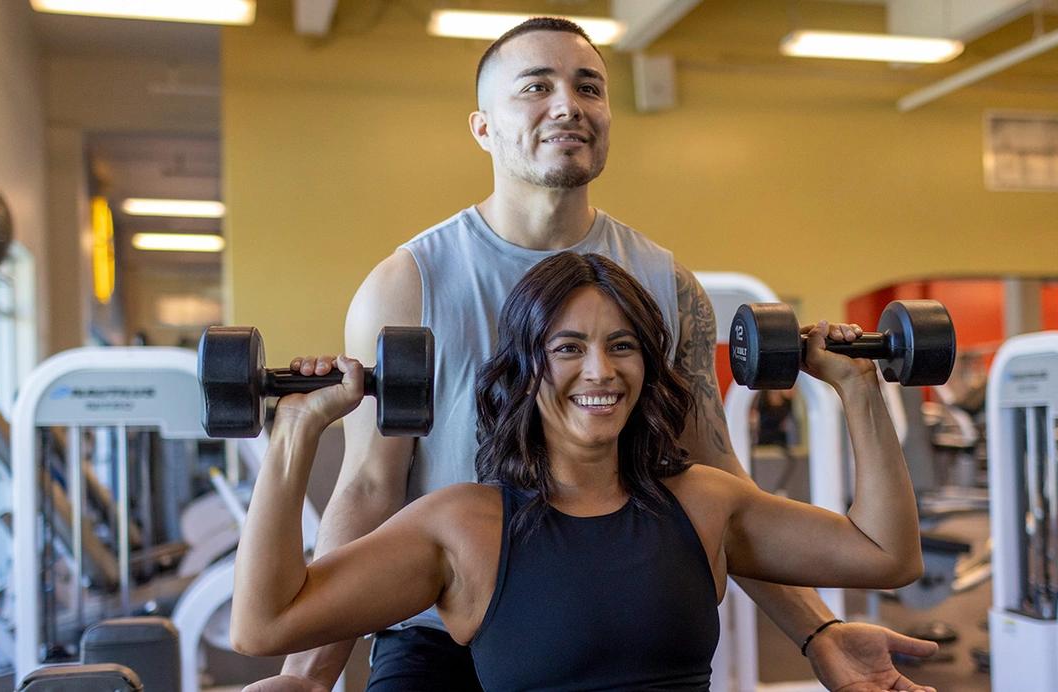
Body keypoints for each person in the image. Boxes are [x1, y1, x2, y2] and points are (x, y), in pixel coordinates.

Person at [249, 16, 940, 691]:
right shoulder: (409, 283)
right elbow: (371, 486)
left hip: (604, 607)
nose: (567, 107)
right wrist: (308, 674)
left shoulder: (664, 284)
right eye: (535, 87)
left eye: (588, 87)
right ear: (482, 127)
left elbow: (715, 481)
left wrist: (817, 633)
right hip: (435, 621)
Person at [232, 252, 928, 692]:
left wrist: (859, 389)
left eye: (622, 346)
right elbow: (264, 625)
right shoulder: (463, 525)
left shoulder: (704, 501)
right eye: (568, 348)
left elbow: (886, 554)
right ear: (524, 369)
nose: (600, 370)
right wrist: (295, 436)